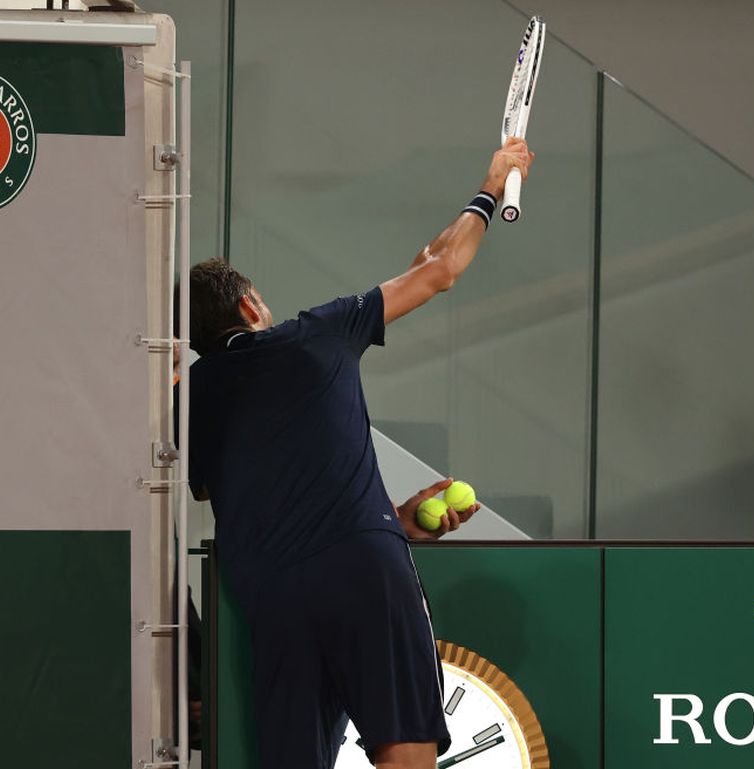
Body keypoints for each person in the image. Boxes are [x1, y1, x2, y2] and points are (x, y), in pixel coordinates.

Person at [187, 138, 534, 769]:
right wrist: (491, 185)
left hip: (274, 599)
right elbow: (440, 267)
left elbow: (250, 486)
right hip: (363, 571)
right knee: (406, 757)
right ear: (250, 305)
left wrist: (390, 517)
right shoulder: (316, 333)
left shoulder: (195, 397)